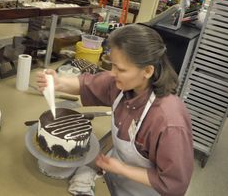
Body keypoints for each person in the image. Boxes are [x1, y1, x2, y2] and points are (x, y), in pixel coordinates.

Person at [36, 24, 194, 196]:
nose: (112, 73)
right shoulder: (122, 84)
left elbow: (174, 184)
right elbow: (88, 84)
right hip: (113, 179)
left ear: (148, 71)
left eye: (120, 69)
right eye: (112, 65)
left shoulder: (169, 122)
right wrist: (58, 82)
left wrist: (123, 169)